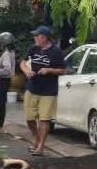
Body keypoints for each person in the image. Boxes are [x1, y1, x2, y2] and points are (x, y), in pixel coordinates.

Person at [20, 25, 66, 155]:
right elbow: (23, 63)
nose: (35, 38)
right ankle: (37, 140)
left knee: (44, 119)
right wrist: (27, 71)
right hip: (32, 87)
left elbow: (63, 70)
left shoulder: (56, 51)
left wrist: (49, 70)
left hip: (48, 91)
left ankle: (41, 147)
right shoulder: (33, 49)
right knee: (29, 119)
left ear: (44, 38)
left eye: (37, 36)